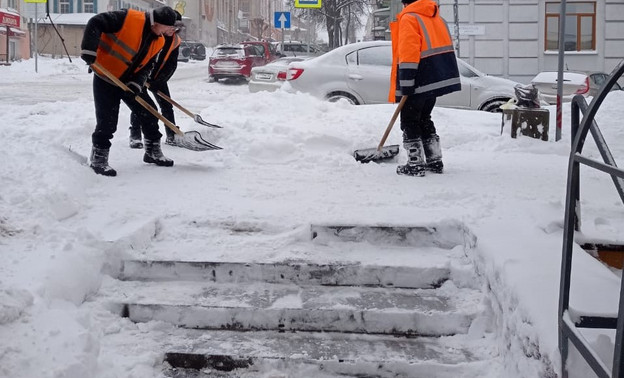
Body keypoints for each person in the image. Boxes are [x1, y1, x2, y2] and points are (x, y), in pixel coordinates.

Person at [80, 6, 178, 177]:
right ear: (158, 23)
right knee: (107, 121)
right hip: (106, 77)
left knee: (150, 112)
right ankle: (98, 159)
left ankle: (152, 152)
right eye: (170, 27)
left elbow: (148, 66)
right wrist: (89, 49)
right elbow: (96, 22)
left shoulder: (159, 40)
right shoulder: (126, 18)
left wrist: (136, 84)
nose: (172, 30)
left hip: (128, 81)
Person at [389, 0, 461, 177]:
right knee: (424, 118)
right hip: (434, 79)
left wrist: (406, 83)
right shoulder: (436, 18)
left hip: (418, 80)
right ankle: (435, 161)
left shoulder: (410, 18)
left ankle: (415, 165)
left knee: (409, 121)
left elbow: (409, 51)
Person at [129, 11, 183, 149]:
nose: (174, 30)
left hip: (157, 78)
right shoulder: (152, 36)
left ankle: (171, 135)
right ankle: (135, 135)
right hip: (141, 76)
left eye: (176, 28)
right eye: (172, 27)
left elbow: (171, 65)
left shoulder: (175, 41)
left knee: (166, 105)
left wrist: (158, 82)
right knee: (140, 105)